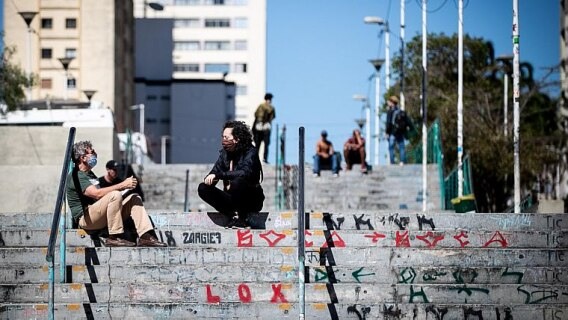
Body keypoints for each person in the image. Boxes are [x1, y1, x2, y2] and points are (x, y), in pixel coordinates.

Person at [66, 141, 166, 247]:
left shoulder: (90, 175)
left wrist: (123, 191)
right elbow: (96, 194)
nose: (95, 154)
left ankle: (145, 236)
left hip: (100, 216)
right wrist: (122, 185)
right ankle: (113, 237)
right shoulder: (76, 176)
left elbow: (101, 198)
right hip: (86, 220)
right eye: (92, 152)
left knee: (134, 198)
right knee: (114, 195)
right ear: (83, 158)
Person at [198, 120, 265, 229]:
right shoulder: (225, 154)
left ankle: (242, 218)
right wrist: (210, 179)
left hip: (251, 199)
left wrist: (219, 175)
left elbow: (245, 172)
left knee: (238, 181)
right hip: (232, 199)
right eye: (223, 137)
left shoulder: (250, 151)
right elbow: (215, 171)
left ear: (237, 139)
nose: (224, 140)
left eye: (227, 138)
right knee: (203, 188)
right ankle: (233, 215)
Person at [252, 93, 276, 163]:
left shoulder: (262, 106)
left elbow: (256, 114)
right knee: (264, 144)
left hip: (261, 126)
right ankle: (263, 159)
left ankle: (258, 159)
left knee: (259, 144)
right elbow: (272, 117)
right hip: (263, 126)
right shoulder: (270, 107)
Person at [385, 95, 407, 165]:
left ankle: (392, 162)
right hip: (400, 132)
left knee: (391, 147)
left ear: (392, 102)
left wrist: (387, 132)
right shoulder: (400, 111)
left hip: (392, 132)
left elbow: (389, 123)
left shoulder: (390, 111)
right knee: (401, 146)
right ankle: (402, 161)